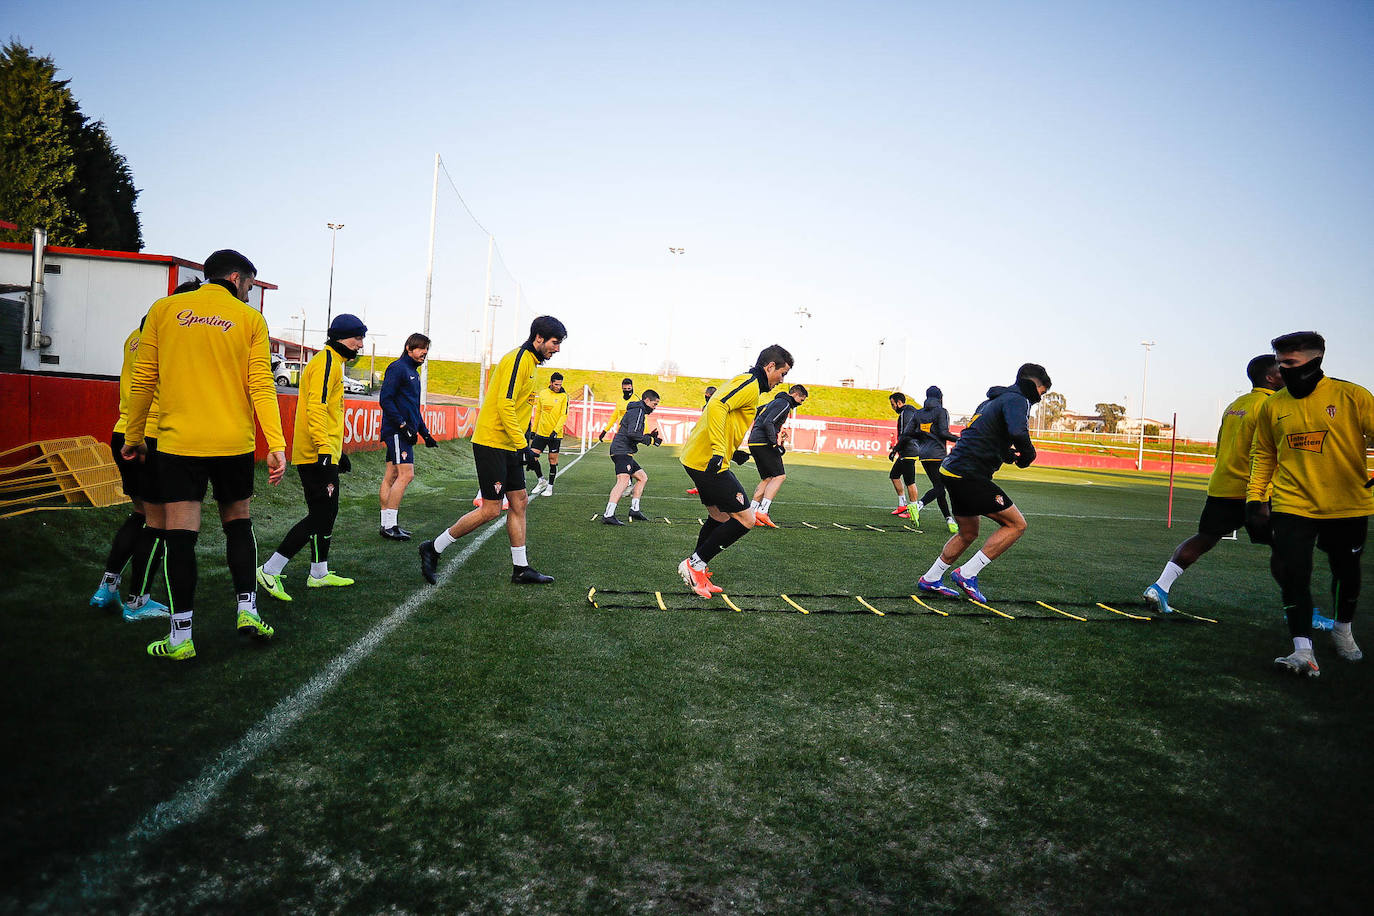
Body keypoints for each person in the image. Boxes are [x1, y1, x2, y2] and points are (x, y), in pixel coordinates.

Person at [122, 249, 287, 661]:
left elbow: (143, 380)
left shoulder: (164, 310)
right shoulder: (249, 320)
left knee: (180, 537)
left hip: (178, 444)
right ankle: (247, 609)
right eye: (250, 284)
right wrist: (276, 445)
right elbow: (262, 386)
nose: (249, 293)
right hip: (233, 443)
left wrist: (133, 436)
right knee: (237, 523)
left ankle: (180, 637)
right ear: (235, 278)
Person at [1247, 331, 1374, 678]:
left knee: (1346, 572)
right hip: (1292, 502)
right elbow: (1263, 453)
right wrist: (1255, 498)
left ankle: (1342, 630)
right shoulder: (1272, 406)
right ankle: (1303, 650)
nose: (1282, 369)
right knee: (1293, 572)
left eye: (1290, 363)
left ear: (1315, 361)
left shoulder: (1353, 395)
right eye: (1280, 363)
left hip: (1347, 503)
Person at [418, 317, 566, 586]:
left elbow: (519, 409)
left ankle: (521, 568)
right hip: (493, 442)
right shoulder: (518, 360)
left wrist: (522, 443)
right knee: (490, 510)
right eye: (555, 343)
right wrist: (524, 446)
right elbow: (504, 405)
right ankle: (434, 547)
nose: (556, 349)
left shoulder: (531, 364)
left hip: (509, 444)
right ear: (539, 338)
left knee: (520, 501)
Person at [91, 281, 203, 622]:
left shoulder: (136, 333)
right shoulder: (171, 334)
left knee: (140, 514)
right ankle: (138, 601)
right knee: (159, 523)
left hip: (123, 430)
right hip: (152, 436)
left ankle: (106, 588)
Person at [1143, 356, 1288, 616]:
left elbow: (1222, 445)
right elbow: (1267, 451)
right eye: (1281, 369)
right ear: (1270, 377)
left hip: (1222, 485)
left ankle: (1159, 587)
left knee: (1204, 539)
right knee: (1286, 547)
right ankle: (1301, 610)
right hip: (1256, 491)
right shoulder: (1272, 405)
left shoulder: (1236, 405)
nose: (1287, 372)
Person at [915, 363, 1052, 603]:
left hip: (952, 468)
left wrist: (1005, 454)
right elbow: (1018, 432)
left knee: (968, 532)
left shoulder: (992, 401)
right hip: (970, 473)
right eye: (1042, 390)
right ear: (1033, 385)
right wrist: (1028, 455)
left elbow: (982, 433)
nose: (1041, 397)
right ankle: (967, 574)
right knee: (1016, 525)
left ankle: (931, 578)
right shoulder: (1019, 399)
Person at [257, 314, 368, 601]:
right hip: (315, 454)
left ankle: (319, 573)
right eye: (357, 337)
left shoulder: (332, 362)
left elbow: (326, 411)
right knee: (320, 515)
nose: (360, 344)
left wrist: (336, 451)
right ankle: (270, 570)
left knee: (327, 513)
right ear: (342, 337)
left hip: (323, 452)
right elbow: (316, 409)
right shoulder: (327, 363)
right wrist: (323, 450)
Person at [677, 345, 793, 597]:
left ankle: (699, 567)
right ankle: (694, 564)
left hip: (701, 458)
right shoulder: (750, 383)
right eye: (782, 374)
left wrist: (730, 451)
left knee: (719, 517)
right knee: (746, 519)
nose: (781, 381)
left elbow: (725, 413)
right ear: (769, 366)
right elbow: (717, 405)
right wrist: (720, 451)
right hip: (708, 460)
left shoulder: (750, 385)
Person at [378, 333, 437, 540]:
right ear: (408, 348)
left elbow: (413, 409)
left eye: (426, 348)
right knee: (406, 475)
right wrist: (403, 426)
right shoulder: (397, 368)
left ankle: (386, 524)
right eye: (421, 348)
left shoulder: (413, 372)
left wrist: (426, 434)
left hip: (404, 432)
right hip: (396, 431)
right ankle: (390, 525)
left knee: (392, 476)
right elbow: (385, 399)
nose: (425, 352)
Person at [748, 384, 808, 527]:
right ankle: (763, 511)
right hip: (764, 443)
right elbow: (769, 422)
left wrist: (776, 433)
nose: (801, 403)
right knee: (779, 476)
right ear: (795, 395)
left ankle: (751, 513)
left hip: (755, 441)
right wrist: (774, 443)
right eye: (802, 399)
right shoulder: (784, 403)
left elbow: (758, 413)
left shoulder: (774, 402)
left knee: (767, 478)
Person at [603, 390, 662, 525]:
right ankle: (608, 514)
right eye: (654, 404)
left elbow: (633, 432)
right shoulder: (638, 412)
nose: (655, 407)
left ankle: (634, 510)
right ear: (647, 400)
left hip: (624, 450)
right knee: (623, 481)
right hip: (621, 450)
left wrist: (649, 436)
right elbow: (633, 434)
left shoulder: (637, 411)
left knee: (642, 477)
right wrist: (651, 440)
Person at [908, 385, 961, 533]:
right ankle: (918, 505)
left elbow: (908, 432)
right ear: (940, 397)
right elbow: (944, 433)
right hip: (938, 455)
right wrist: (960, 440)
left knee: (939, 488)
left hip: (924, 455)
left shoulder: (918, 414)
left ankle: (949, 520)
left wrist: (922, 437)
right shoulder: (941, 411)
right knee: (940, 487)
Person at [529, 371, 569, 496]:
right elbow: (539, 413)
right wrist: (533, 431)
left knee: (552, 460)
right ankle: (541, 480)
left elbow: (564, 415)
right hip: (541, 433)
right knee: (532, 457)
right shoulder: (543, 394)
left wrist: (555, 431)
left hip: (555, 435)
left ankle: (550, 487)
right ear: (551, 383)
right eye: (556, 384)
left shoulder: (564, 396)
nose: (558, 387)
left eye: (560, 384)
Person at [886, 392, 920, 516]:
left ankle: (913, 510)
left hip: (909, 451)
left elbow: (905, 434)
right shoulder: (910, 412)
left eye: (893, 404)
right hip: (906, 450)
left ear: (899, 403)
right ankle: (902, 505)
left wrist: (895, 450)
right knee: (894, 475)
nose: (892, 407)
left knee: (910, 482)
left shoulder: (906, 414)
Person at [686, 386, 718, 496]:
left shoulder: (717, 407)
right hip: (705, 437)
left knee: (710, 463)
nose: (706, 397)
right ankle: (700, 486)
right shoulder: (706, 406)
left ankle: (708, 486)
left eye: (708, 395)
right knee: (701, 462)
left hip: (712, 438)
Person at [598, 377, 635, 442]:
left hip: (632, 432)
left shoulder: (637, 400)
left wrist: (647, 433)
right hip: (621, 431)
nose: (627, 390)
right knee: (615, 450)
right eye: (624, 389)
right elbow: (614, 417)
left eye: (629, 388)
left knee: (621, 450)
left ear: (632, 387)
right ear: (622, 389)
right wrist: (605, 431)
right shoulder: (620, 400)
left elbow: (643, 418)